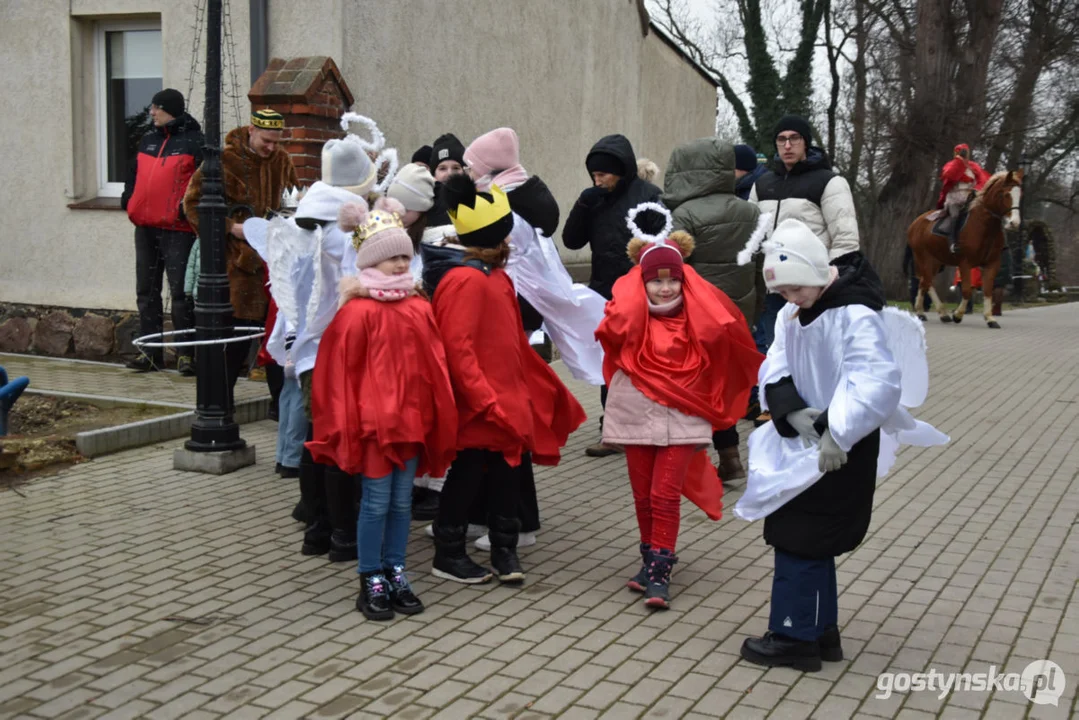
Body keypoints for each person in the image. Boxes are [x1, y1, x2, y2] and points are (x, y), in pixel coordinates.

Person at [733, 218, 946, 671]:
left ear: (815, 272)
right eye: (784, 293)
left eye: (796, 290)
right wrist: (788, 409)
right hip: (806, 438)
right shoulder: (797, 312)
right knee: (809, 538)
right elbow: (776, 359)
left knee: (803, 538)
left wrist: (838, 430)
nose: (790, 301)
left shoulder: (854, 314)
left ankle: (794, 636)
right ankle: (821, 631)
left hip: (840, 448)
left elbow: (876, 380)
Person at [595, 204, 762, 609]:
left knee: (664, 494)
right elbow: (608, 331)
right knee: (642, 495)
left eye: (673, 280)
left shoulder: (700, 319)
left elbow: (726, 341)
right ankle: (648, 556)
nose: (665, 288)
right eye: (656, 282)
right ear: (642, 283)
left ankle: (660, 571)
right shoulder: (627, 319)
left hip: (683, 419)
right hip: (635, 416)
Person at [424, 173, 586, 585]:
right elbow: (457, 351)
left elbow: (512, 343)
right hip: (481, 403)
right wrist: (485, 401)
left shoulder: (496, 278)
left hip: (506, 398)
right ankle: (448, 552)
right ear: (496, 240)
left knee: (506, 475)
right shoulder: (464, 281)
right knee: (465, 476)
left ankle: (504, 549)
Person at [306, 197, 458, 620]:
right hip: (374, 427)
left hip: (409, 423)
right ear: (369, 259)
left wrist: (432, 414)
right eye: (389, 256)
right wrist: (349, 422)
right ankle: (370, 575)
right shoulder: (356, 313)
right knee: (375, 502)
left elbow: (434, 368)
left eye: (403, 256)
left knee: (401, 503)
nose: (397, 264)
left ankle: (396, 569)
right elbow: (339, 377)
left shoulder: (417, 307)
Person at [662, 137, 766, 483]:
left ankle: (690, 464)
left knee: (690, 389)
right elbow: (759, 268)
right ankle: (732, 460)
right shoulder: (751, 211)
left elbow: (672, 272)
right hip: (736, 318)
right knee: (721, 388)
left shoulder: (683, 214)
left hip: (696, 318)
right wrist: (753, 313)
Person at [183, 108, 299, 407]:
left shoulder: (282, 161)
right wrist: (229, 228)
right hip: (236, 265)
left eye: (276, 141)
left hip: (275, 263)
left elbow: (295, 198)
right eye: (266, 140)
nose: (271, 148)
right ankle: (219, 406)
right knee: (232, 341)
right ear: (251, 131)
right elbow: (192, 204)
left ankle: (280, 406)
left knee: (278, 337)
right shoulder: (223, 161)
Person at [748, 115, 859, 427]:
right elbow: (755, 235)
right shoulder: (762, 183)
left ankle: (822, 408)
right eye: (781, 139)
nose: (787, 145)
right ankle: (776, 405)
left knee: (814, 354)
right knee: (776, 347)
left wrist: (830, 283)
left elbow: (846, 239)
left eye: (794, 138)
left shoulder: (829, 182)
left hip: (814, 289)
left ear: (806, 142)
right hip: (774, 287)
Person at [563, 134, 661, 457]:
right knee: (612, 364)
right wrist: (582, 205)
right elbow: (572, 241)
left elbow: (662, 245)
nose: (598, 179)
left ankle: (648, 425)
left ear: (621, 170)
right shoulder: (593, 199)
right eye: (594, 174)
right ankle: (615, 429)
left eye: (603, 173)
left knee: (644, 362)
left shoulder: (649, 196)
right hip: (605, 293)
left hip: (643, 293)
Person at [121, 89, 203, 374]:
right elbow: (132, 175)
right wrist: (128, 198)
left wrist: (187, 209)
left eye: (156, 108)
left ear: (169, 109)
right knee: (146, 292)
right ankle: (151, 353)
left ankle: (186, 355)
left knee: (181, 295)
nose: (151, 113)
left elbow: (203, 184)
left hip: (178, 231)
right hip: (144, 228)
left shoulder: (194, 142)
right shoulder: (148, 140)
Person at [937, 144, 990, 254]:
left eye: (965, 152)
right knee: (955, 216)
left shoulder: (974, 166)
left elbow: (981, 180)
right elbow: (949, 177)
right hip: (955, 197)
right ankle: (952, 242)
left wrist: (976, 189)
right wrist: (959, 163)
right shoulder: (950, 165)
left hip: (970, 196)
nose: (964, 154)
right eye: (961, 152)